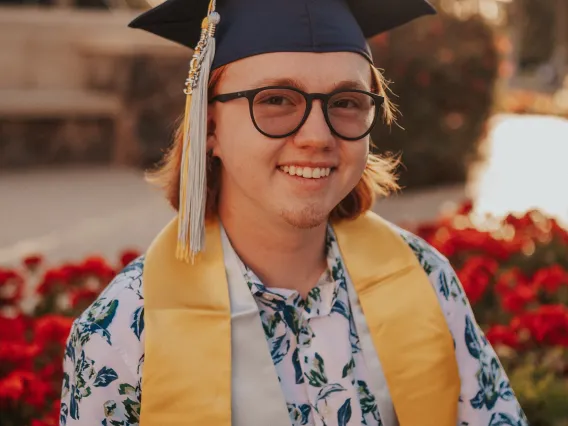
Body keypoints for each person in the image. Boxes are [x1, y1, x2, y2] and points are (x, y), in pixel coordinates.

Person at [59, 0, 528, 425]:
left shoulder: (425, 280)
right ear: (209, 126)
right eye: (277, 101)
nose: (318, 136)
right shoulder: (123, 331)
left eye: (346, 103)